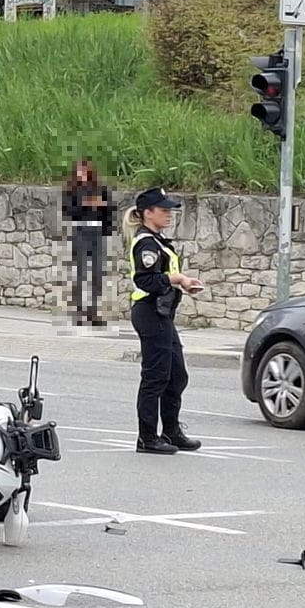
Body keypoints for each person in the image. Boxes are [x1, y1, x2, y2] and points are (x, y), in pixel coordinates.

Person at [124, 187, 205, 454]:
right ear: (147, 213)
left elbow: (161, 277)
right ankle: (147, 437)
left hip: (161, 313)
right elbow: (144, 280)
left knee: (177, 375)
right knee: (155, 377)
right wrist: (176, 279)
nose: (169, 214)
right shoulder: (146, 243)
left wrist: (182, 284)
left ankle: (170, 431)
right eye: (163, 210)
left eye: (169, 209)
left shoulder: (157, 240)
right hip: (149, 312)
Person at [62, 158, 113, 326]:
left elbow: (108, 210)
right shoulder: (71, 190)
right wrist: (86, 204)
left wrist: (107, 228)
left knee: (97, 273)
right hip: (80, 230)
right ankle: (78, 310)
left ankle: (93, 310)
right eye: (79, 171)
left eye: (85, 171)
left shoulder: (100, 189)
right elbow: (69, 211)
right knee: (81, 273)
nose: (82, 175)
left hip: (97, 230)